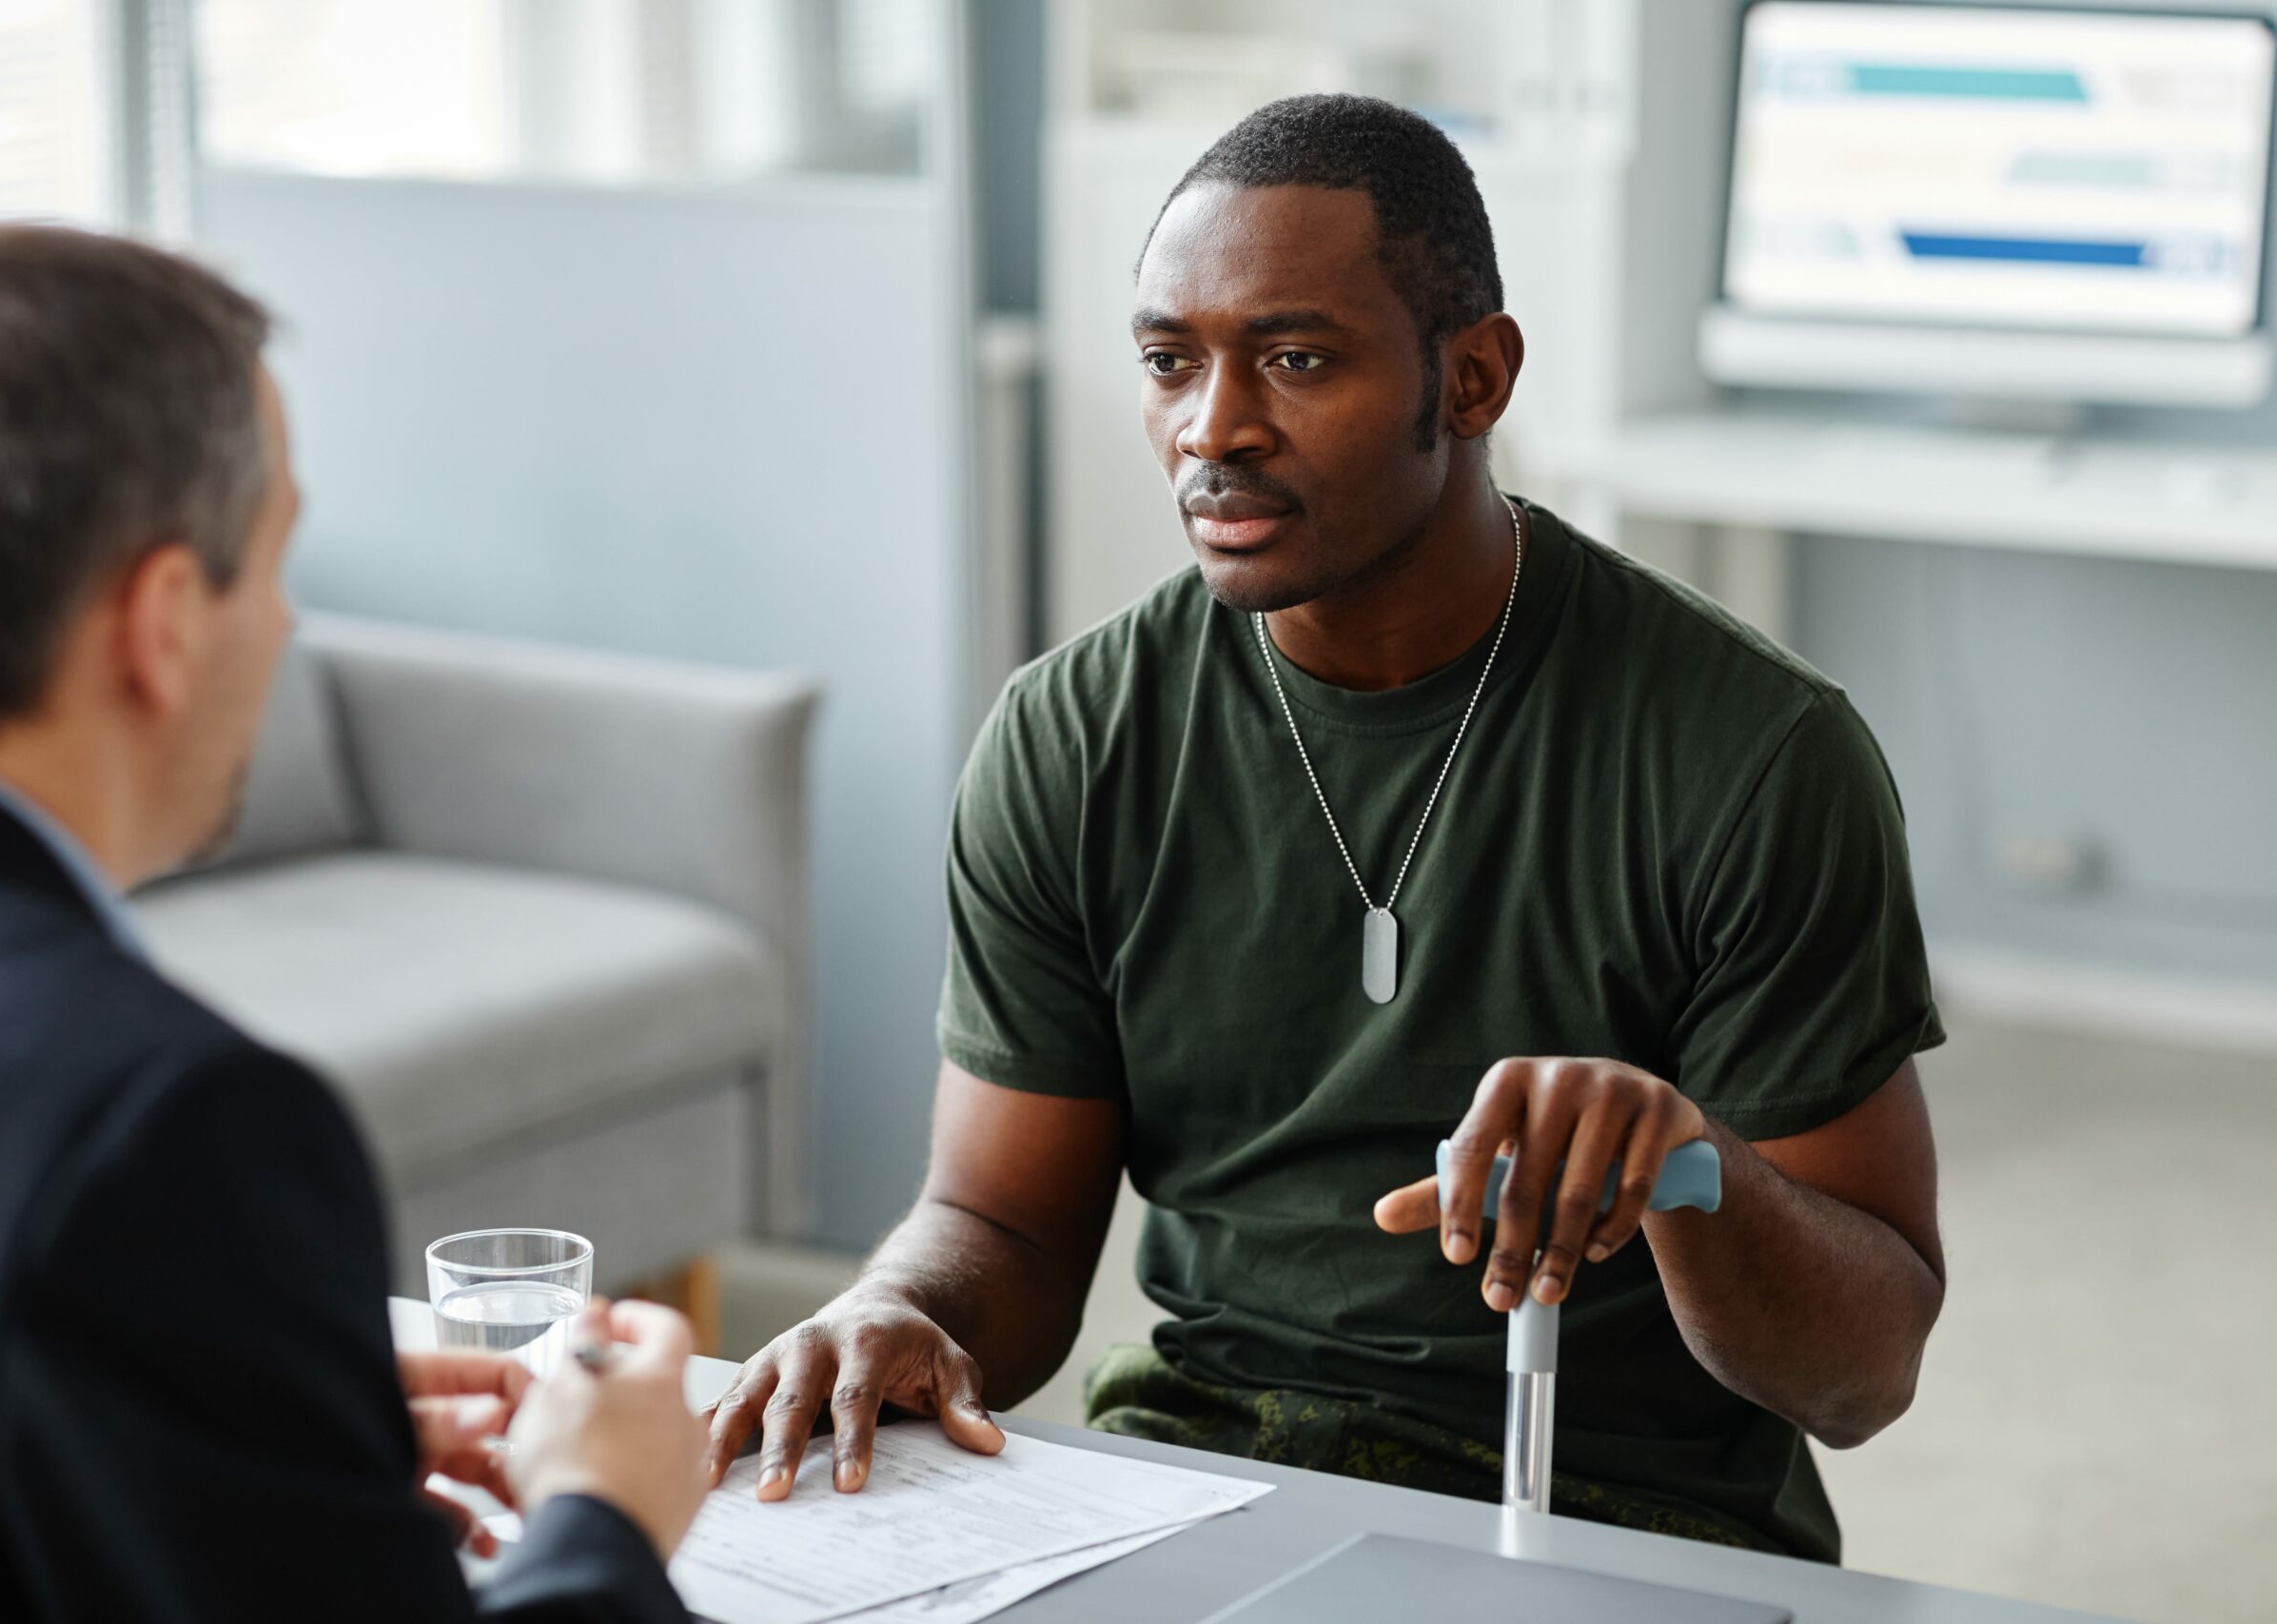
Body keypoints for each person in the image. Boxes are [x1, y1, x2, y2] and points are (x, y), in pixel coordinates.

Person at [704, 94, 1946, 1563]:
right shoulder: (1073, 736)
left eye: (1294, 360)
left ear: (1471, 378)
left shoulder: (1750, 752)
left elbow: (1859, 1375)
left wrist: (1688, 1165)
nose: (1210, 428)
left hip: (1618, 1511)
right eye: (1171, 362)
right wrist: (894, 1307)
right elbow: (1005, 1230)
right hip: (1202, 1473)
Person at [0, 223, 705, 1620]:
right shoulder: (160, 1125)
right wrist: (604, 1509)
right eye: (278, 563)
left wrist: (267, 1446)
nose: (290, 627)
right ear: (166, 619)